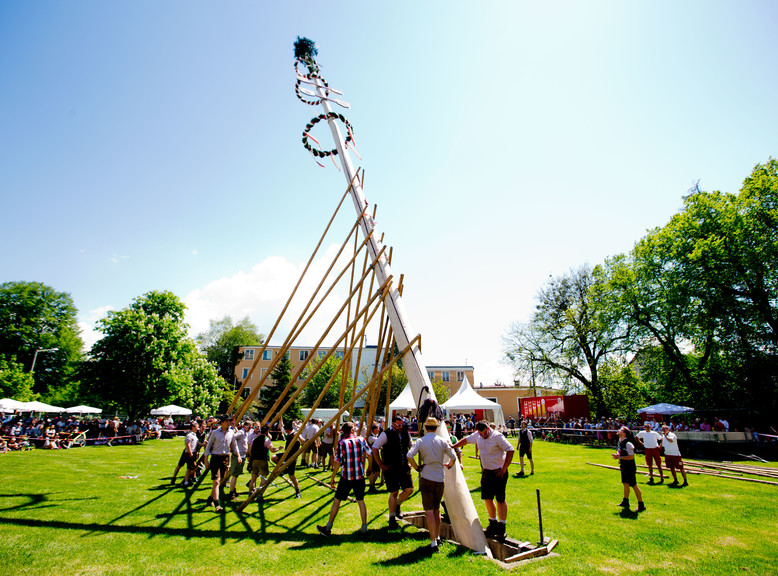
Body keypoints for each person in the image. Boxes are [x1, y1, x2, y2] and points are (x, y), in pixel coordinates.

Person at [453, 420, 514, 539]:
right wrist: (454, 446)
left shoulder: (497, 436)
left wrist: (504, 468)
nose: (483, 436)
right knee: (487, 498)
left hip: (498, 473)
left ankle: (502, 527)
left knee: (500, 499)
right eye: (481, 434)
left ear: (488, 429)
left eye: (485, 434)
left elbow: (510, 450)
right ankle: (493, 523)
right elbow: (466, 440)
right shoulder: (477, 435)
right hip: (486, 472)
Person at [407, 417, 457, 553]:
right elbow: (453, 457)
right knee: (436, 510)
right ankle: (438, 536)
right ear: (436, 428)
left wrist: (417, 468)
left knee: (429, 510)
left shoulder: (421, 441)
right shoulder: (442, 441)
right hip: (439, 478)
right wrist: (449, 466)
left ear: (425, 428)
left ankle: (433, 541)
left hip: (426, 476)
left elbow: (409, 455)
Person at [316, 421, 371, 536]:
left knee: (337, 500)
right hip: (359, 475)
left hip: (347, 476)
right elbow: (370, 454)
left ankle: (328, 527)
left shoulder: (342, 443)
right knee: (361, 500)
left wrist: (332, 477)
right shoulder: (361, 440)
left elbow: (338, 462)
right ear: (352, 430)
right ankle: (364, 527)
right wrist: (369, 468)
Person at [372, 415, 414, 529]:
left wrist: (411, 460)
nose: (401, 427)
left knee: (409, 489)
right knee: (394, 492)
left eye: (402, 425)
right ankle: (391, 518)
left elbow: (411, 447)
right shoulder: (386, 434)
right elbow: (375, 448)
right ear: (393, 424)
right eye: (399, 425)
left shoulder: (406, 433)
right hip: (391, 467)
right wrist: (380, 464)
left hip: (404, 466)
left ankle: (398, 505)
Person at [203, 415, 240, 513]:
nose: (229, 423)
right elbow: (208, 447)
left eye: (229, 421)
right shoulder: (215, 433)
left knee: (219, 481)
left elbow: (234, 445)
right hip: (215, 457)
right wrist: (206, 460)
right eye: (227, 421)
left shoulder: (231, 432)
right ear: (222, 422)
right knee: (216, 481)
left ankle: (210, 499)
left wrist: (238, 455)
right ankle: (217, 504)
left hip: (225, 458)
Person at [612, 426, 646, 512]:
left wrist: (620, 457)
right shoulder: (621, 441)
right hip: (624, 466)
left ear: (624, 433)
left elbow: (631, 457)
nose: (618, 431)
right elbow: (620, 451)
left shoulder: (628, 444)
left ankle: (641, 504)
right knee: (625, 484)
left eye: (621, 430)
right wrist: (618, 455)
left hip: (629, 467)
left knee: (634, 485)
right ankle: (625, 501)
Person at [274, 420, 302, 499]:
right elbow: (281, 425)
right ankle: (284, 469)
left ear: (287, 429)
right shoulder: (289, 433)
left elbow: (303, 442)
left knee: (291, 476)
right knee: (274, 458)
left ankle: (298, 491)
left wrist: (298, 436)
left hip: (292, 457)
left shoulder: (295, 434)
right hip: (286, 454)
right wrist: (280, 417)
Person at [247, 425, 277, 493]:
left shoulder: (254, 439)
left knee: (253, 478)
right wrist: (278, 448)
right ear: (267, 432)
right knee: (263, 478)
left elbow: (250, 450)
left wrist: (252, 457)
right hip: (263, 460)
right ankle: (260, 494)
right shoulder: (266, 439)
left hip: (254, 460)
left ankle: (250, 493)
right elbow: (272, 449)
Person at [228, 420, 252, 500]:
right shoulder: (241, 433)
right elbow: (233, 437)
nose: (249, 428)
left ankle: (233, 491)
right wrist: (233, 448)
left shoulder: (244, 433)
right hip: (238, 456)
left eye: (250, 427)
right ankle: (231, 493)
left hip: (242, 456)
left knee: (236, 474)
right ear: (244, 426)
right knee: (235, 475)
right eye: (249, 427)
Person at [171, 421, 199, 486]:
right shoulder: (190, 435)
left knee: (191, 467)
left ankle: (186, 480)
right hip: (188, 453)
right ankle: (184, 480)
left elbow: (197, 443)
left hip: (190, 452)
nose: (197, 428)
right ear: (193, 427)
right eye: (196, 427)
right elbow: (187, 444)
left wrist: (204, 444)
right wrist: (190, 453)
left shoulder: (194, 435)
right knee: (186, 467)